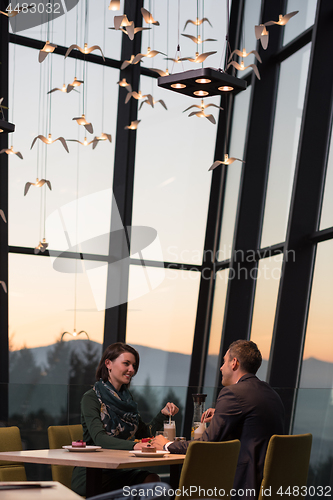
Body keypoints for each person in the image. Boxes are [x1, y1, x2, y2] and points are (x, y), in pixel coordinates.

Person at [153, 340, 285, 499]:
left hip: (241, 485)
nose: (221, 368)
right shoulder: (271, 394)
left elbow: (206, 444)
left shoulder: (233, 393)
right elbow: (253, 425)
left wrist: (167, 444)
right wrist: (223, 414)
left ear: (234, 363)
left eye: (224, 362)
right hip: (268, 482)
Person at [71, 342, 179, 497]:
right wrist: (135, 446)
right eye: (126, 364)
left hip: (120, 469)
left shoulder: (127, 400)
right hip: (94, 474)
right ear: (108, 363)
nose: (132, 370)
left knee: (153, 480)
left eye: (134, 366)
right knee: (150, 485)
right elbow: (100, 439)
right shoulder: (91, 398)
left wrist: (163, 414)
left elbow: (145, 432)